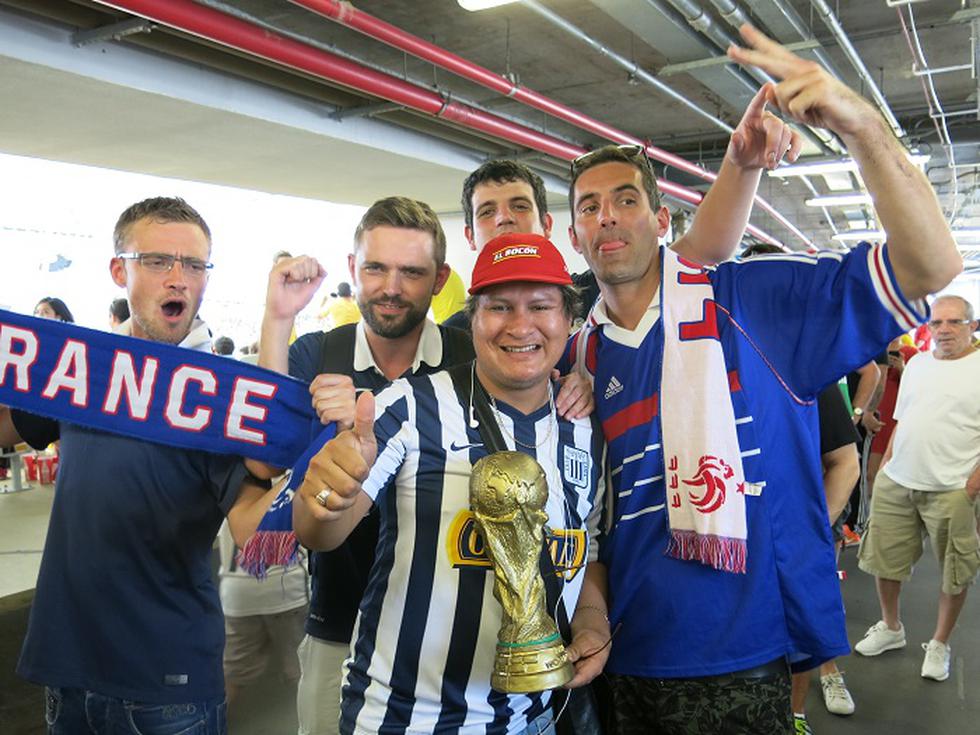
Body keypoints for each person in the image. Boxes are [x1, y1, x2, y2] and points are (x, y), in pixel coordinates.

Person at [563, 24, 959, 734]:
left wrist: (861, 124)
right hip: (614, 655)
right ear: (575, 236)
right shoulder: (579, 353)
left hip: (740, 659)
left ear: (661, 217)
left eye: (624, 199)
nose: (606, 217)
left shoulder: (752, 302)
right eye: (588, 207)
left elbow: (928, 268)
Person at [292, 232, 608, 734]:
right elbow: (320, 531)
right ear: (473, 320)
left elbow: (586, 552)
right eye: (499, 306)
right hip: (409, 718)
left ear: (568, 321)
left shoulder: (585, 430)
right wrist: (326, 497)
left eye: (541, 306)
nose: (520, 324)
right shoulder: (411, 406)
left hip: (537, 718)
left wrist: (593, 620)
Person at [0, 197, 276, 735]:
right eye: (157, 261)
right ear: (119, 270)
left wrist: (313, 487)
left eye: (194, 265)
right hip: (68, 670)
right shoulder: (81, 368)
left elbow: (261, 541)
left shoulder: (217, 396)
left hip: (165, 686)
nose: (178, 279)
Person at [257, 197, 482, 735]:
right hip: (337, 615)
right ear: (354, 268)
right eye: (376, 267)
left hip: (447, 629)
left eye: (412, 272)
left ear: (439, 279)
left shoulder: (471, 356)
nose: (390, 287)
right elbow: (264, 460)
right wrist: (277, 316)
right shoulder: (318, 352)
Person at [447, 79, 804, 331]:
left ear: (551, 227)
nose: (505, 219)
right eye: (487, 212)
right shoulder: (457, 337)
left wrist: (741, 166)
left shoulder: (595, 294)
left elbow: (704, 247)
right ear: (469, 235)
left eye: (519, 206)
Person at [741, 243, 861, 731]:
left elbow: (845, 463)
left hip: (797, 537)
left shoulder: (810, 369)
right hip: (738, 544)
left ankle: (795, 715)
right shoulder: (712, 361)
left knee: (803, 636)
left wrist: (808, 531)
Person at [855, 294, 980, 683]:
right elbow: (902, 419)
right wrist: (889, 466)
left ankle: (939, 643)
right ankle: (891, 627)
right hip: (900, 480)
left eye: (954, 322)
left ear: (972, 327)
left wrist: (972, 486)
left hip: (952, 488)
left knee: (954, 572)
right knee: (883, 560)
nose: (943, 330)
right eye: (936, 323)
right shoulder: (918, 365)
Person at [217, 520, 308, 714]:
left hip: (237, 591)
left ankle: (203, 725)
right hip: (287, 586)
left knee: (231, 677)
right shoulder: (293, 487)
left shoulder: (230, 488)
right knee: (304, 673)